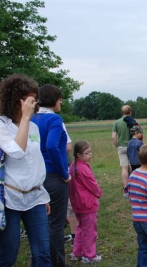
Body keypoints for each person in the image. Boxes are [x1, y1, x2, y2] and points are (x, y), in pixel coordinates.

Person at [0, 74, 52, 266]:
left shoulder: (34, 128)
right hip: (10, 200)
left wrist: (42, 193)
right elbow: (17, 152)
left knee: (43, 254)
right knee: (8, 255)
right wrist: (25, 119)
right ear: (17, 100)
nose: (34, 104)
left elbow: (36, 163)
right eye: (30, 99)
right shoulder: (2, 126)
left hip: (35, 198)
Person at [31, 84, 71, 267]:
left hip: (36, 176)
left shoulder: (32, 119)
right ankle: (56, 263)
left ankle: (39, 261)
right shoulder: (54, 120)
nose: (61, 101)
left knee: (41, 224)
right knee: (56, 225)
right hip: (54, 176)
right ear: (54, 99)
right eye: (60, 98)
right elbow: (51, 146)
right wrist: (64, 172)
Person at [69, 140, 102, 264]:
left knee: (80, 228)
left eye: (90, 152)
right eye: (87, 153)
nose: (90, 155)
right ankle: (89, 255)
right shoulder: (83, 169)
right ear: (79, 155)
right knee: (89, 230)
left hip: (77, 203)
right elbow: (92, 185)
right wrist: (99, 193)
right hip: (87, 204)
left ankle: (76, 252)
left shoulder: (73, 166)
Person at [112, 105, 134, 195]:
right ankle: (134, 185)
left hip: (121, 147)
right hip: (131, 146)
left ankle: (126, 188)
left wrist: (117, 145)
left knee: (124, 167)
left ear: (122, 112)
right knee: (132, 166)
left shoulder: (116, 122)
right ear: (130, 112)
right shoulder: (133, 121)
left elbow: (113, 137)